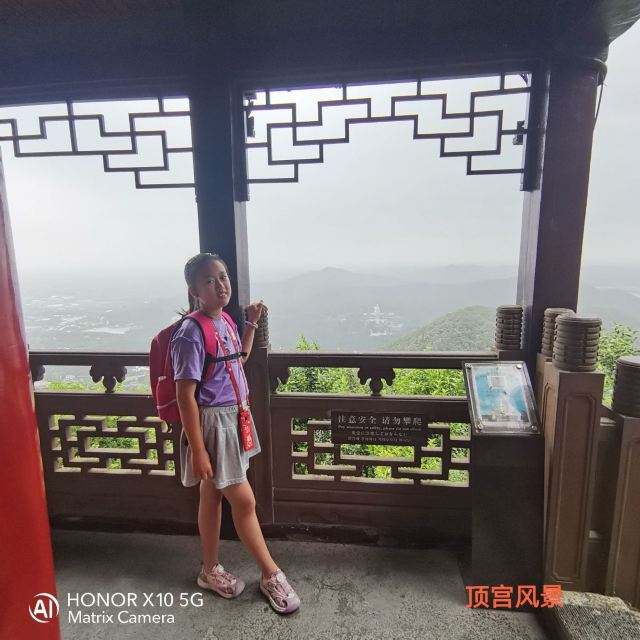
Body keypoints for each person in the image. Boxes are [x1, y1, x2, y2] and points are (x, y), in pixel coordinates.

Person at [170, 252, 300, 614]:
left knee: (211, 497)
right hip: (214, 424)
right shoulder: (189, 333)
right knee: (244, 503)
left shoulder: (224, 320)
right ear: (194, 290)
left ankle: (209, 570)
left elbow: (237, 359)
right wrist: (199, 450)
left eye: (223, 277)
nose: (220, 285)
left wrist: (251, 323)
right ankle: (271, 574)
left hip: (234, 417)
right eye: (209, 281)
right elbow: (184, 396)